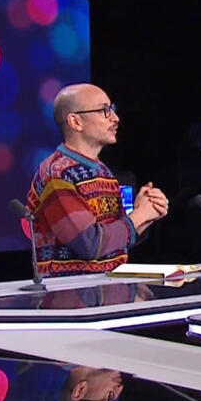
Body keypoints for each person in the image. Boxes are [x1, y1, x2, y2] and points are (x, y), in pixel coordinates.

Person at [27, 83, 169, 277]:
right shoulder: (57, 174)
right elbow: (90, 245)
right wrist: (139, 216)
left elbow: (116, 242)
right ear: (75, 122)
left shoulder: (103, 171)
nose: (115, 118)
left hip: (108, 287)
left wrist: (147, 212)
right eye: (104, 110)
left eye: (112, 109)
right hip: (69, 292)